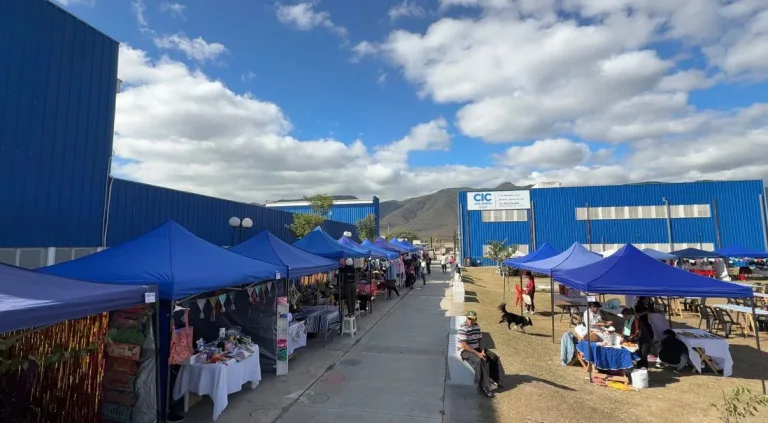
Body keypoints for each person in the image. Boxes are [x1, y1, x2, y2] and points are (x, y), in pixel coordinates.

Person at [457, 311, 505, 398]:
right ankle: (484, 387)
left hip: (476, 348)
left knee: (494, 357)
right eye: (469, 319)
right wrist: (478, 354)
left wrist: (482, 350)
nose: (470, 321)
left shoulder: (477, 326)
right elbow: (464, 346)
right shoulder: (463, 328)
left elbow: (480, 340)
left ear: (476, 319)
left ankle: (495, 379)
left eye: (472, 319)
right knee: (478, 360)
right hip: (465, 350)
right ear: (466, 318)